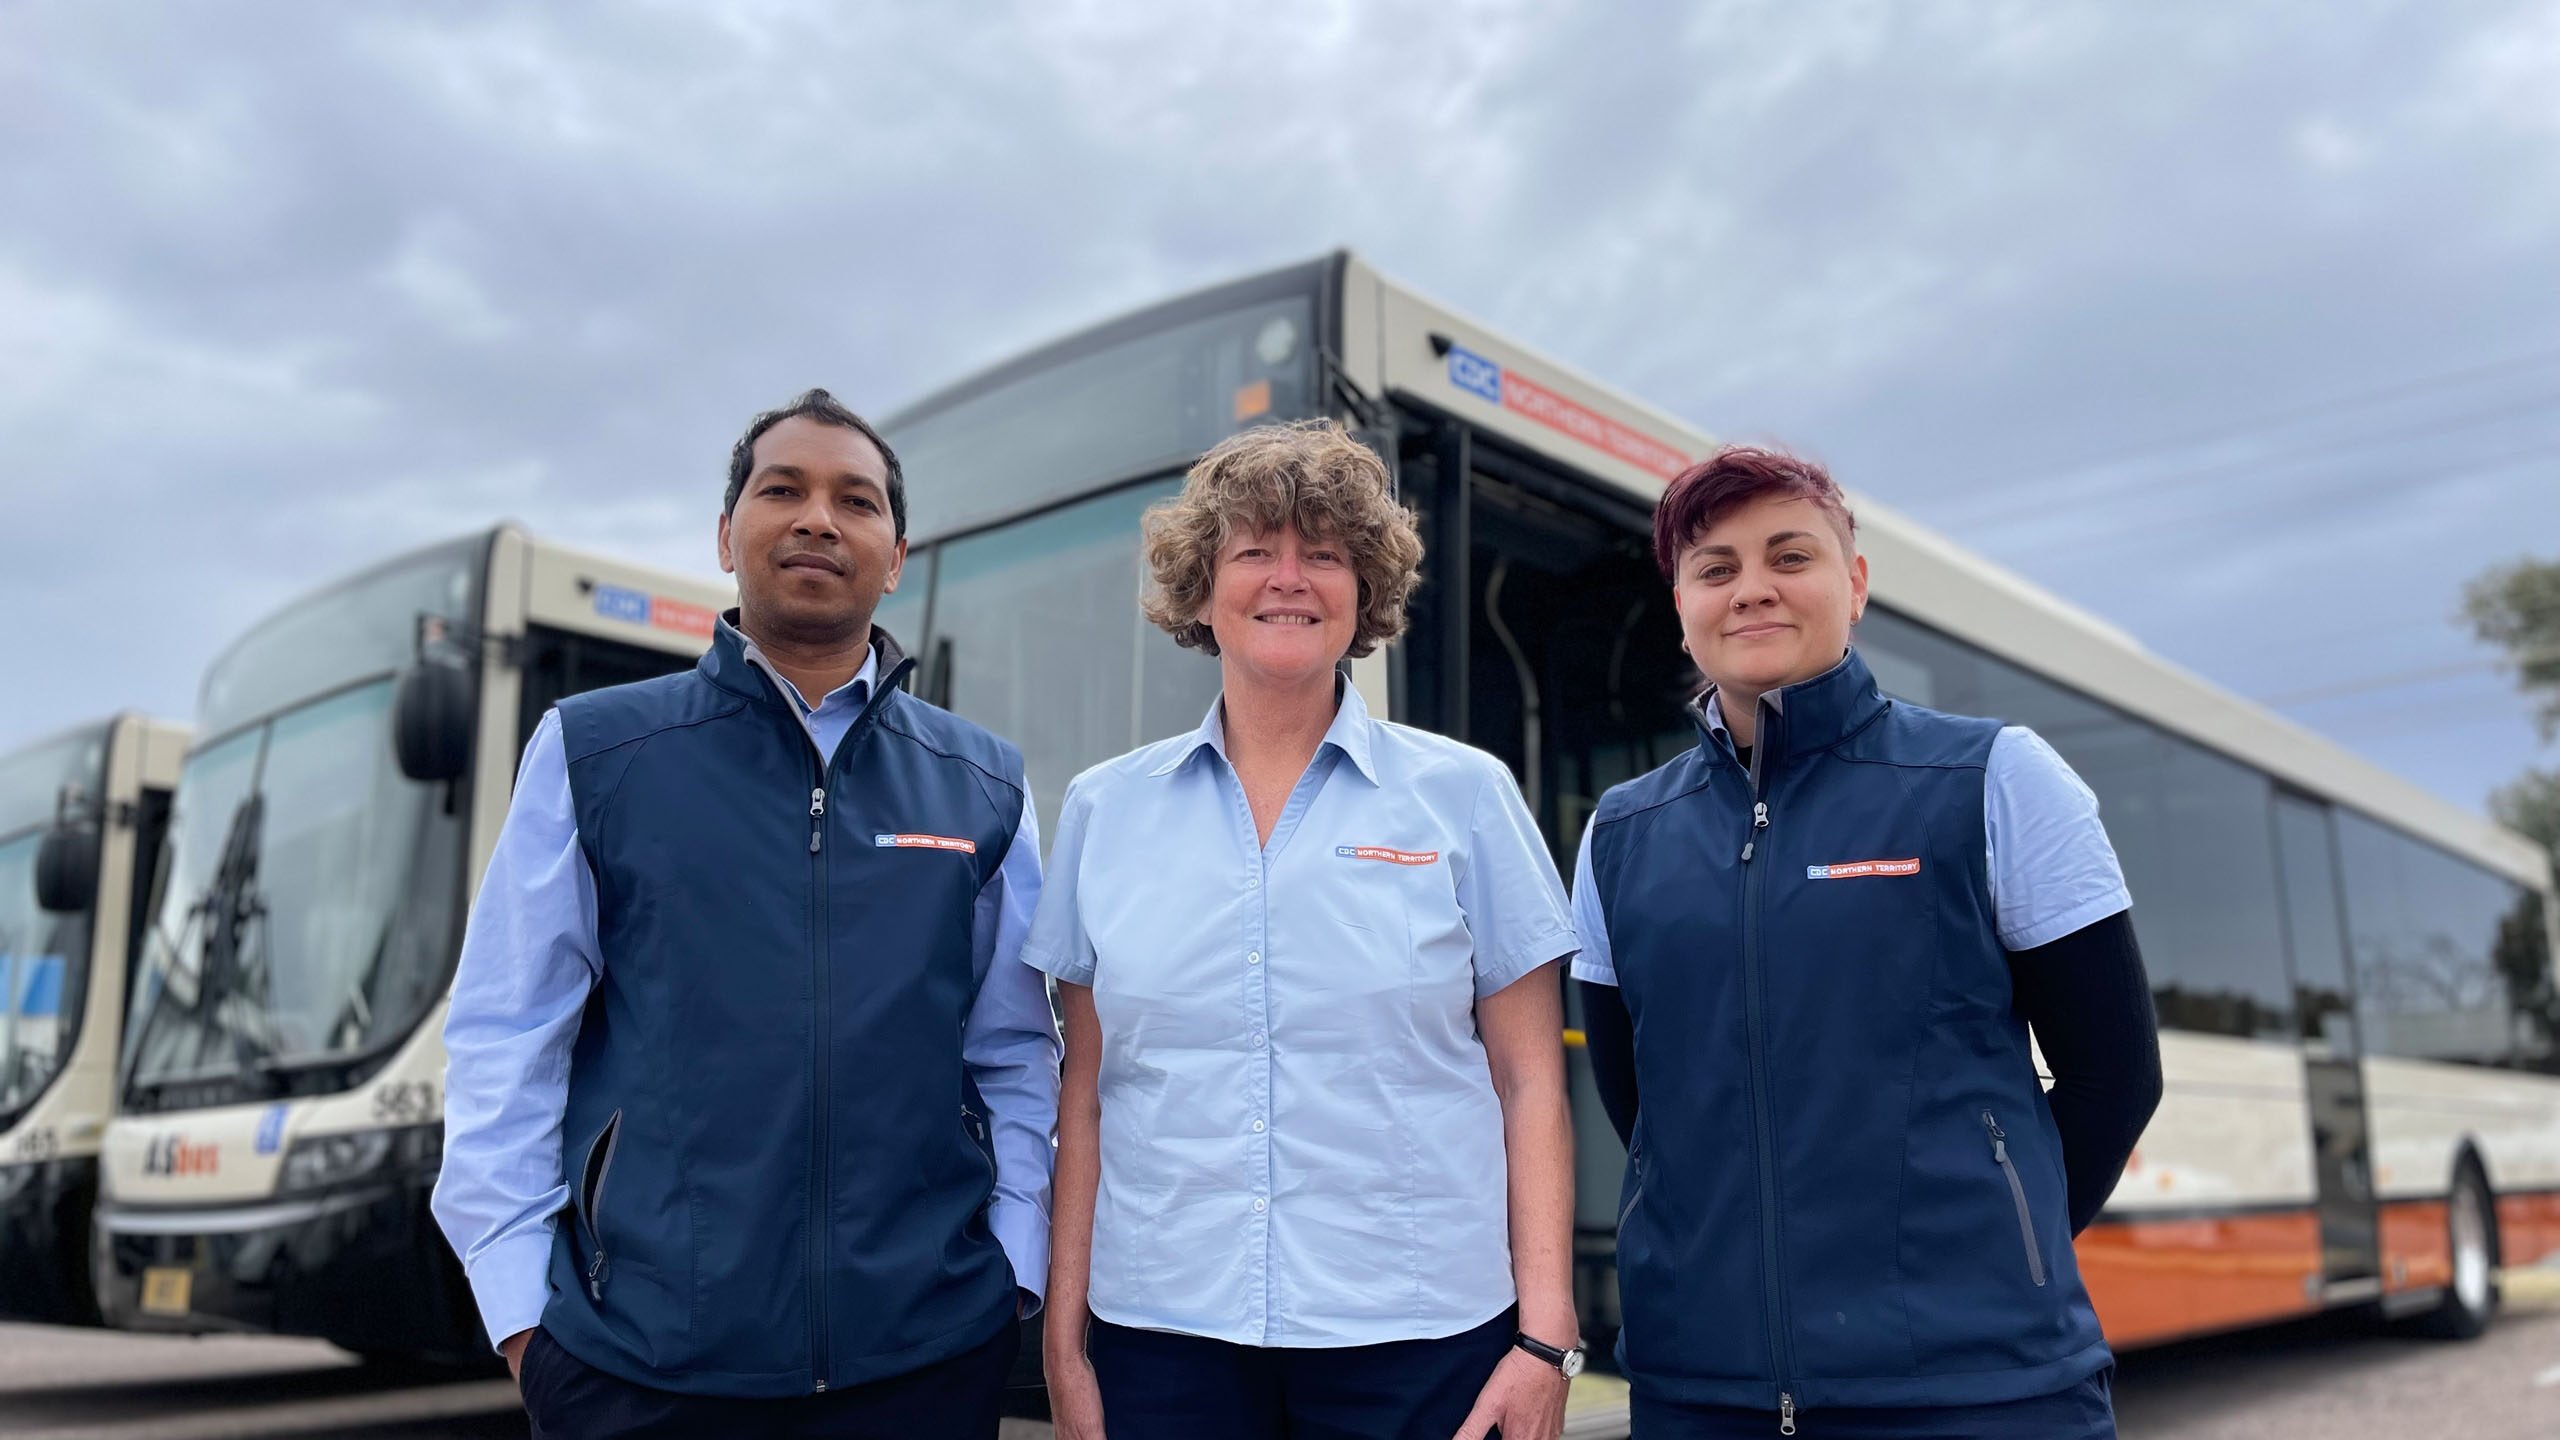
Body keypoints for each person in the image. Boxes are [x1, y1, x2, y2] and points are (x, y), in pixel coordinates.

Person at [430, 389, 1058, 1440]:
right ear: (726, 536)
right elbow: (506, 1036)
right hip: (641, 1369)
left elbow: (1017, 1051)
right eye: (784, 489)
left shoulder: (980, 783)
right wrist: (523, 1324)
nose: (818, 517)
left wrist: (1013, 1274)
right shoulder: (596, 754)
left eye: (854, 500)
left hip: (922, 1361)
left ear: (894, 555)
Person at [1572, 446, 2164, 1439]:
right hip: (1701, 1396)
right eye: (1715, 569)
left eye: (1787, 557)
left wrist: (1986, 1259)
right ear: (1680, 605)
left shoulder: (1994, 778)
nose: (1751, 589)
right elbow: (1645, 1108)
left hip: (1980, 1393)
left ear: (1852, 582)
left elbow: (2114, 1075)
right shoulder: (1619, 834)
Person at [1028, 420, 1584, 1440]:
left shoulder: (1465, 796)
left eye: (1323, 554)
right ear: (1201, 589)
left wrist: (1545, 1338)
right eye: (1253, 551)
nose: (1289, 577)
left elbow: (1530, 1083)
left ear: (1363, 592)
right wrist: (1065, 1350)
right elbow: (1086, 1094)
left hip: (1420, 1339)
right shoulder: (1105, 812)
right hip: (1163, 1339)